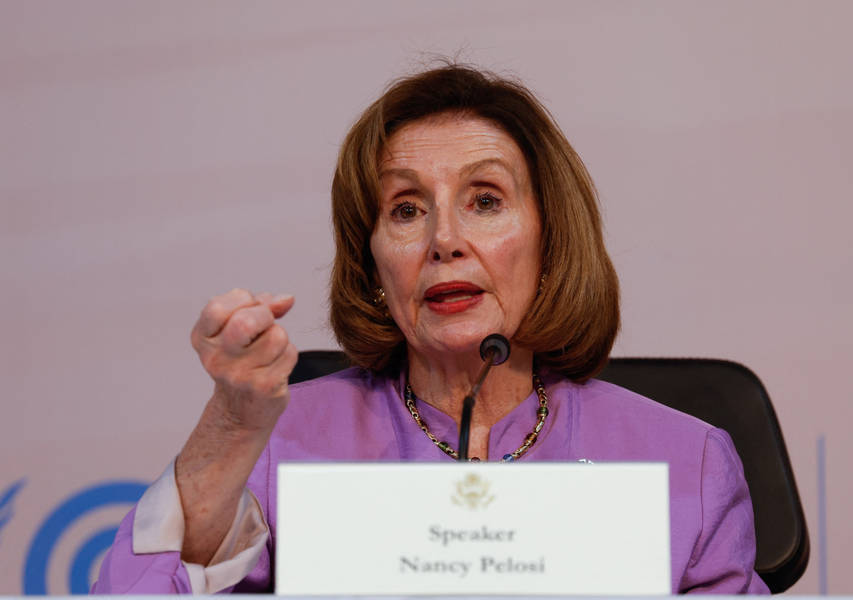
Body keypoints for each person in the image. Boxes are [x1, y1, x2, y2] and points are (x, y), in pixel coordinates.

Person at [92, 65, 768, 594]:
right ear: (373, 261)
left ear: (551, 240)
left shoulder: (687, 462)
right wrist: (233, 429)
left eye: (485, 201)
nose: (445, 239)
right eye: (407, 208)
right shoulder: (280, 445)